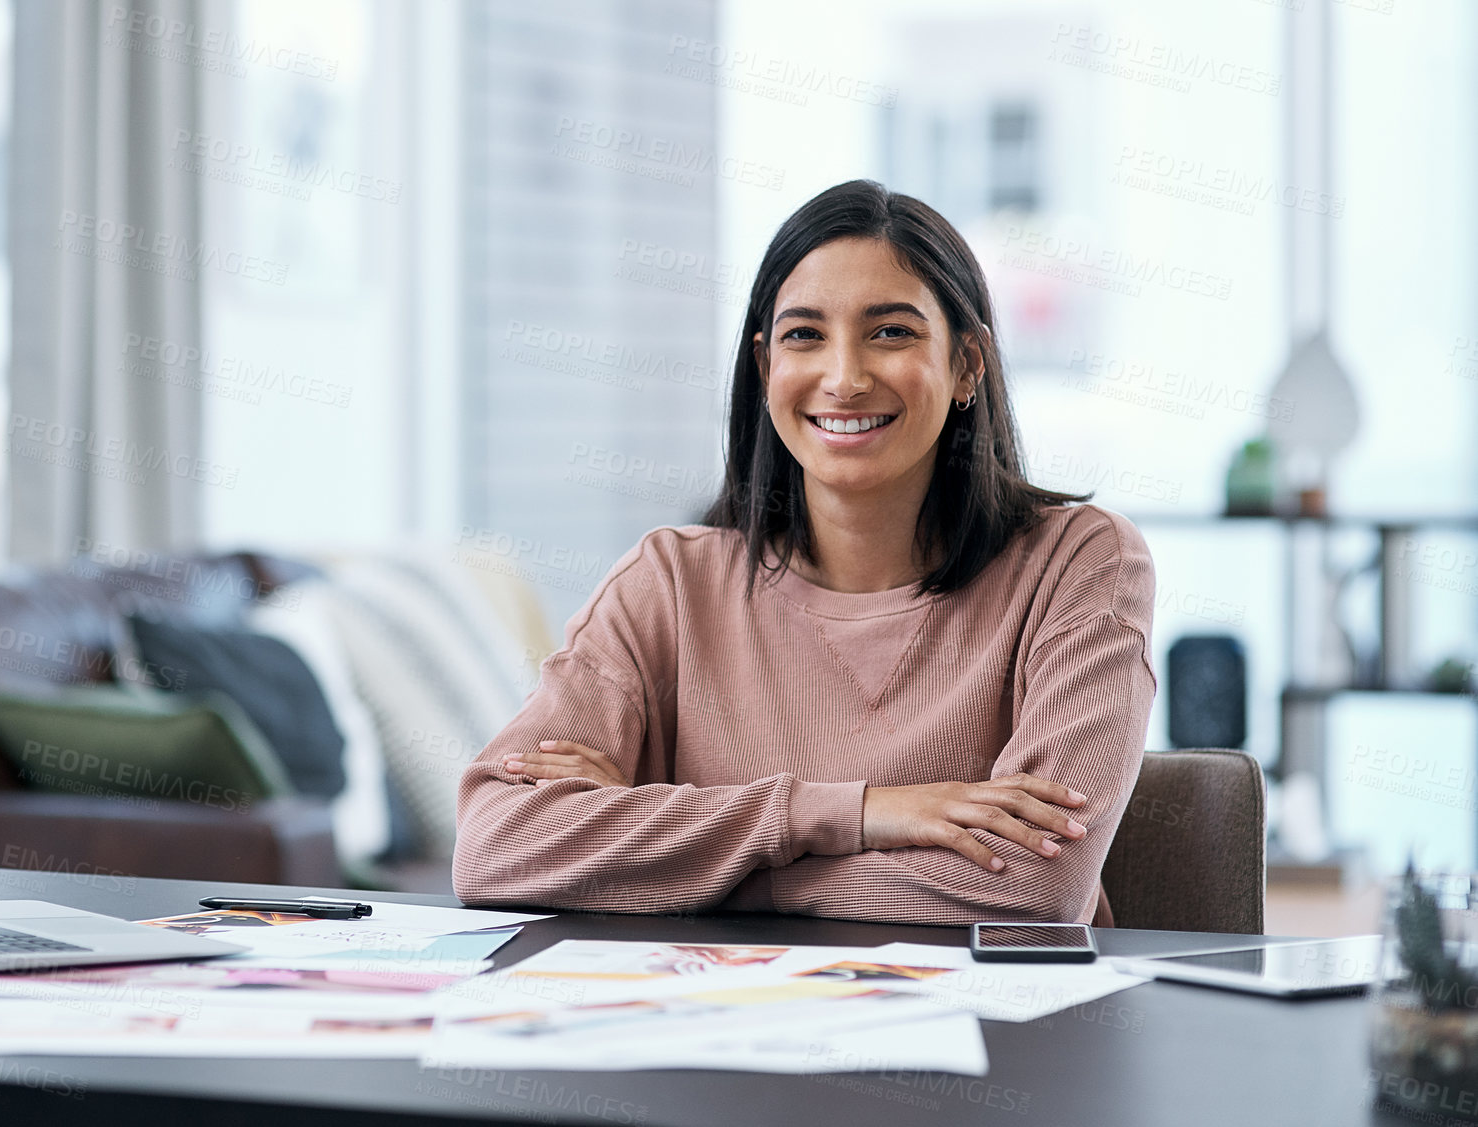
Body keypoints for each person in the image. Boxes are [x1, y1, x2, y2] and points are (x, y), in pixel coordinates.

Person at [453, 180, 1156, 926]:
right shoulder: (668, 585)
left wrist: (683, 869)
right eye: (804, 335)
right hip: (715, 1030)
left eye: (891, 332)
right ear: (765, 369)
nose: (845, 378)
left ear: (968, 365)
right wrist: (853, 814)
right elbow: (497, 846)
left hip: (1000, 1035)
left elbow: (1030, 889)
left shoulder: (1082, 564)